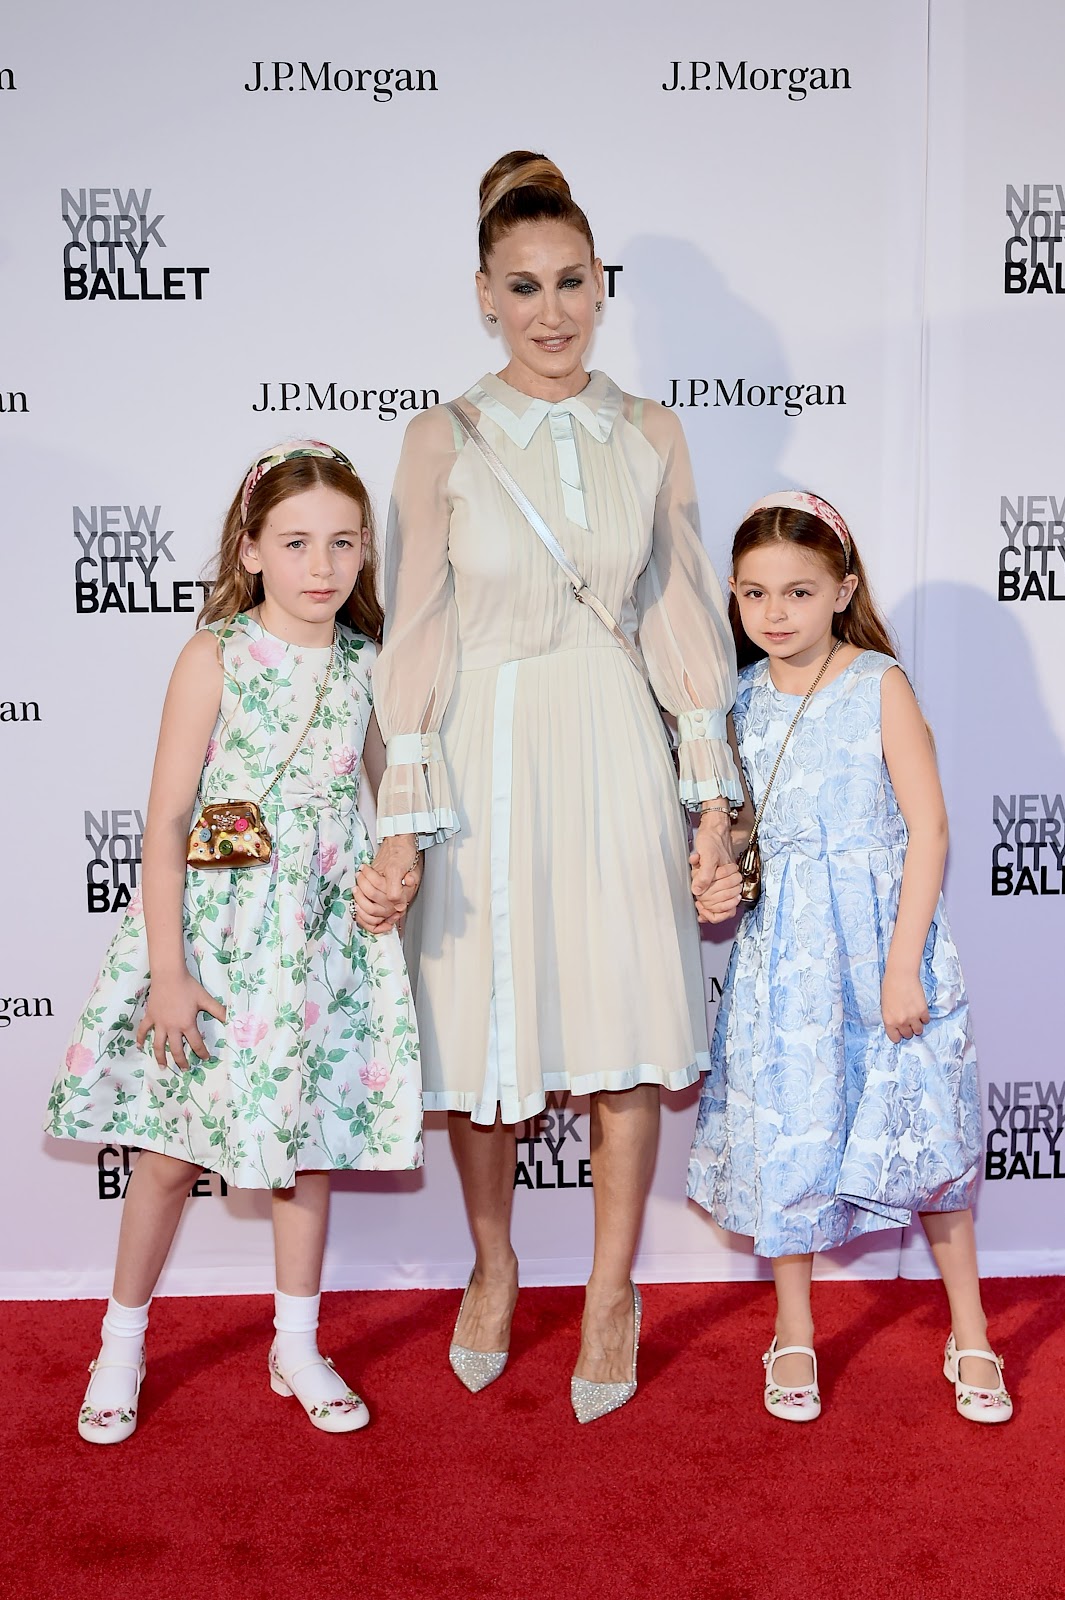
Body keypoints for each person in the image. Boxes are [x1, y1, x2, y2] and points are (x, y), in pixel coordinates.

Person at [354, 151, 741, 1423]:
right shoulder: (441, 438)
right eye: (524, 286)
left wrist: (711, 798)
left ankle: (614, 1288)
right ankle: (495, 1263)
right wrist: (403, 810)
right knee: (484, 1036)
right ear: (483, 293)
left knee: (627, 1025)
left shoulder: (652, 434)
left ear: (600, 284)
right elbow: (415, 625)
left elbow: (684, 616)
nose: (553, 310)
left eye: (574, 280)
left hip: (613, 741)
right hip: (481, 748)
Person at [46, 440, 423, 1443]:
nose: (322, 566)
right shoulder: (213, 654)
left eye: (344, 543)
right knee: (169, 1149)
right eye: (297, 543)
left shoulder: (368, 663)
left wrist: (394, 873)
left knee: (303, 1149)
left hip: (318, 941)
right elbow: (168, 818)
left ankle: (295, 1343)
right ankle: (119, 1345)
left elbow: (394, 798)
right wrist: (169, 971)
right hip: (216, 938)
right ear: (251, 549)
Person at [688, 491, 1011, 1425]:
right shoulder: (735, 702)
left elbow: (930, 827)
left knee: (933, 1147)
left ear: (843, 590)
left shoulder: (878, 682)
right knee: (791, 1135)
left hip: (882, 944)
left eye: (797, 590)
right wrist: (715, 871)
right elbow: (737, 835)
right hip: (784, 962)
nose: (774, 613)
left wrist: (902, 962)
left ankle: (972, 1331)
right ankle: (792, 1328)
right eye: (753, 594)